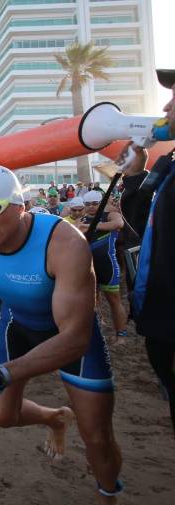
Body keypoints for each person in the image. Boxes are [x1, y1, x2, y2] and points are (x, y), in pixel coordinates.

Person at [0, 165, 122, 505]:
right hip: (18, 324)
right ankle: (54, 417)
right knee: (0, 416)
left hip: (72, 336)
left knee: (97, 438)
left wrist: (3, 373)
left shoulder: (65, 242)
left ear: (20, 207)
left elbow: (74, 338)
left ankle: (109, 501)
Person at [117, 67, 175, 435]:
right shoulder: (168, 165)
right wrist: (135, 172)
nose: (167, 106)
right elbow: (137, 218)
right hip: (161, 315)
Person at [76, 190, 128, 342]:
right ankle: (95, 334)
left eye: (94, 204)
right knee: (91, 302)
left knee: (114, 301)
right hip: (89, 268)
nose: (91, 207)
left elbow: (119, 223)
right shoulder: (82, 219)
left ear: (101, 203)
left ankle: (121, 335)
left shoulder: (110, 215)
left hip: (108, 266)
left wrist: (94, 225)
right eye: (87, 204)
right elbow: (74, 231)